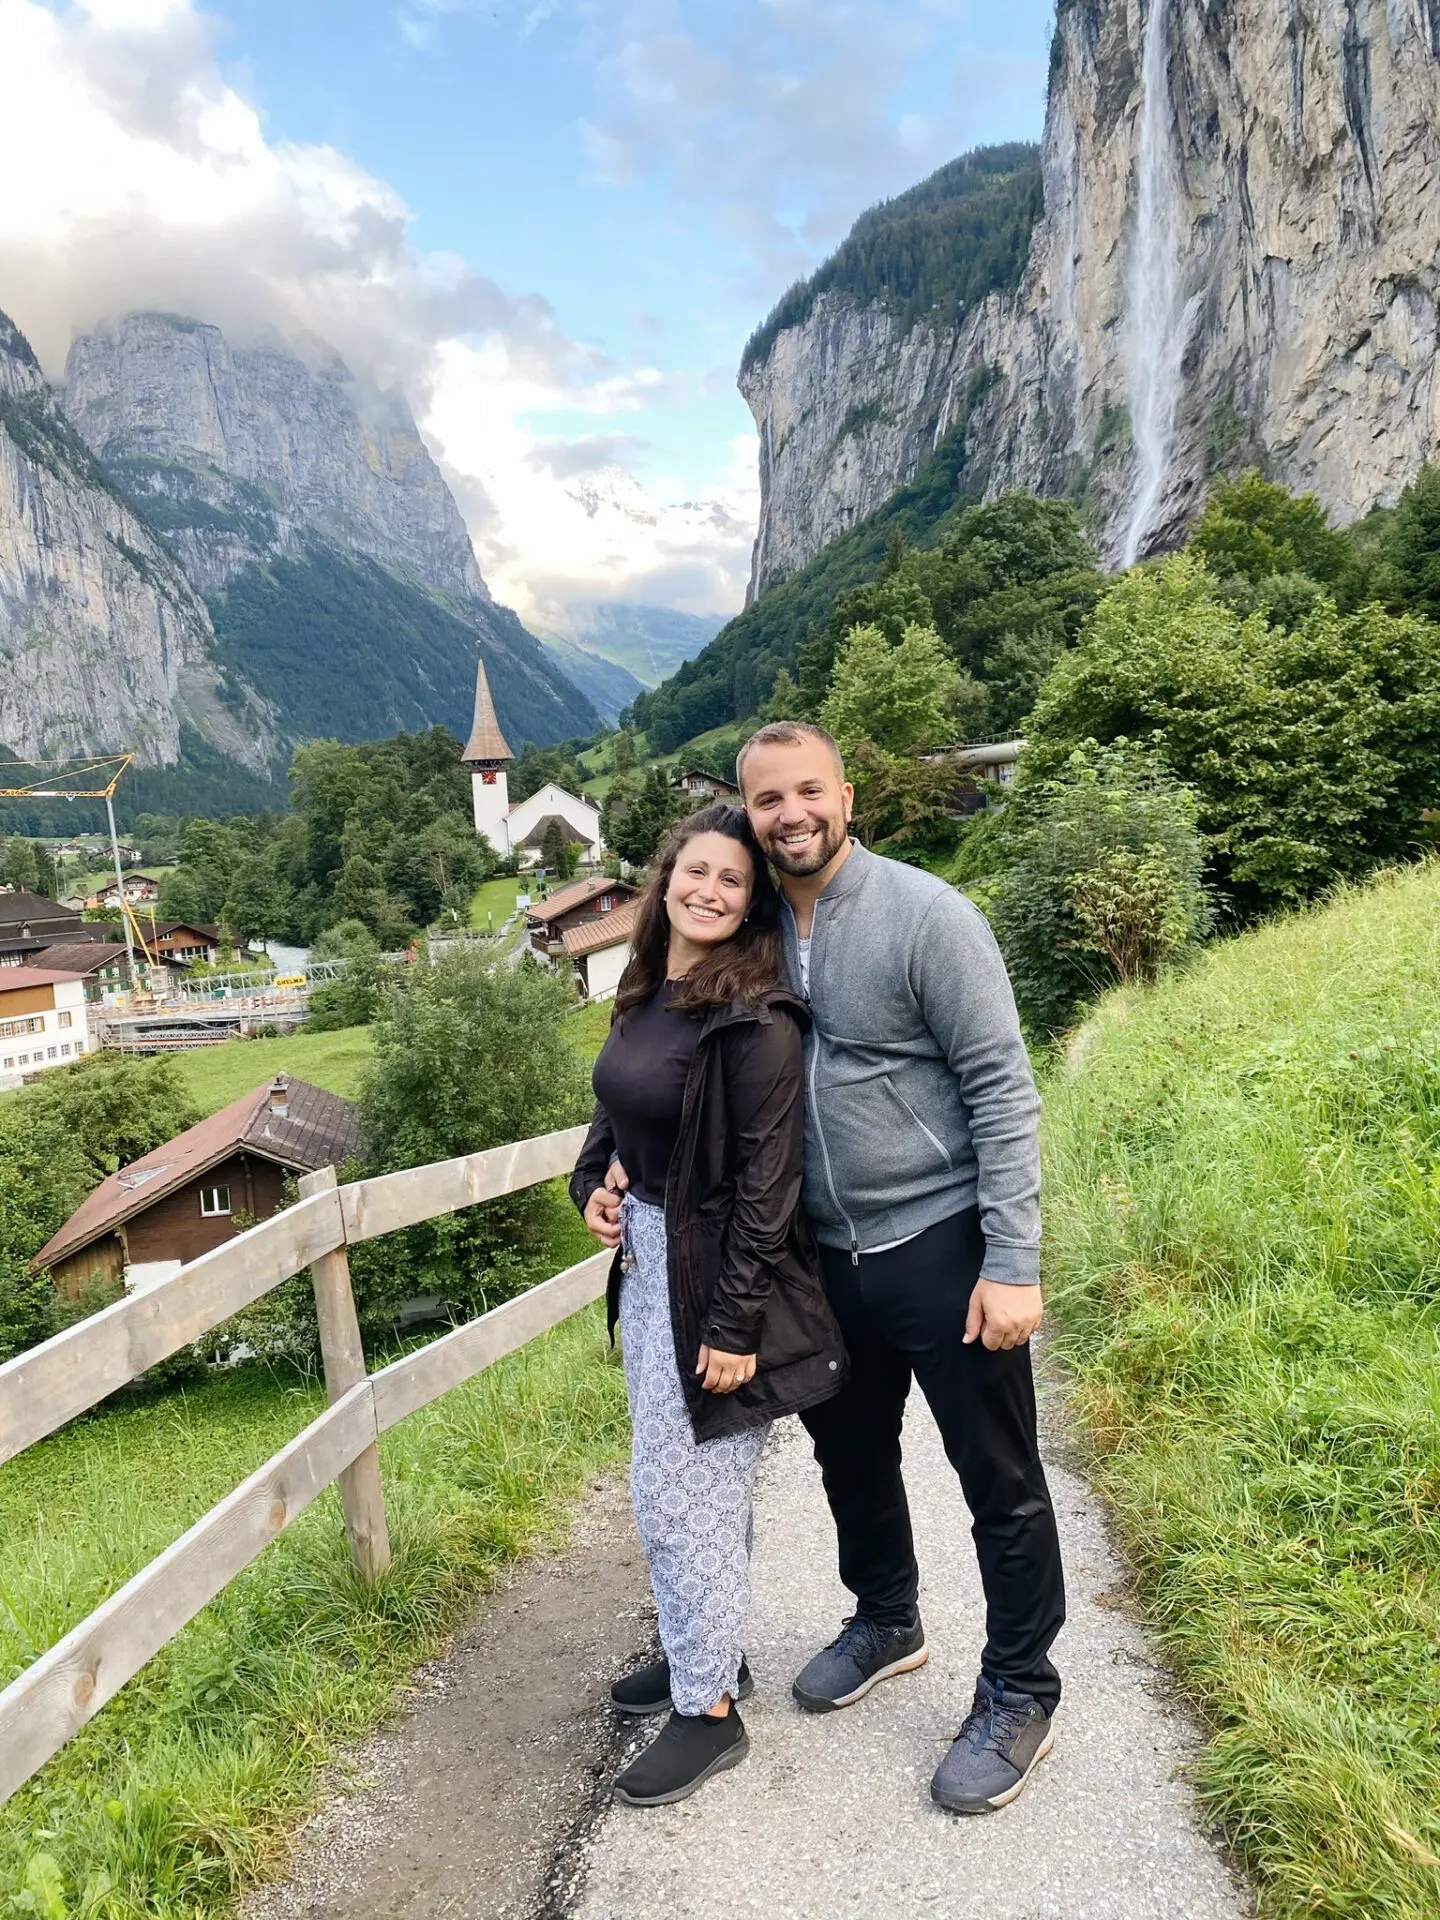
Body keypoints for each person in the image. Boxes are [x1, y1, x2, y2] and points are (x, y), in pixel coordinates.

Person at [734, 719, 1066, 1816]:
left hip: (941, 1242)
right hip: (823, 1256)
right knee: (850, 1454)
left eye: (808, 791)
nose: (791, 815)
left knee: (998, 1480)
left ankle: (1021, 1686)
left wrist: (1012, 1261)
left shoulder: (930, 915)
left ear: (847, 795)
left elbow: (1003, 1092)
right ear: (751, 813)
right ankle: (888, 1617)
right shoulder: (753, 931)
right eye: (769, 800)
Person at [571, 802, 846, 1809]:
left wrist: (731, 1330)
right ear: (668, 879)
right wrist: (593, 1187)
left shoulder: (754, 1018)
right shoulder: (648, 990)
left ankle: (709, 1714)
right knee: (674, 1486)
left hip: (713, 1280)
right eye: (697, 871)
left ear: (751, 901)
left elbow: (768, 1187)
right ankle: (709, 1656)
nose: (711, 891)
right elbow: (613, 1114)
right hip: (648, 1262)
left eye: (734, 880)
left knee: (686, 1497)